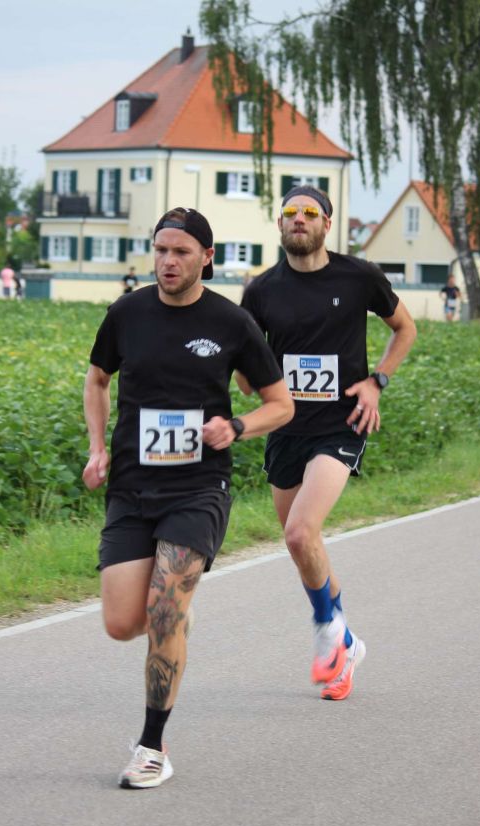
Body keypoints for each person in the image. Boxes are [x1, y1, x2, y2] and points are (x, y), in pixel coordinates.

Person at [83, 206, 293, 788]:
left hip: (199, 487)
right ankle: (171, 614)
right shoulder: (126, 313)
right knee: (122, 624)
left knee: (165, 608)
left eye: (181, 251)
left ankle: (152, 747)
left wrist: (237, 426)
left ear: (207, 257)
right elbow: (97, 380)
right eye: (161, 250)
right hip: (131, 486)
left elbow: (281, 404)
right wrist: (97, 448)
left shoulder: (231, 322)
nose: (168, 261)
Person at [238, 185, 417, 701]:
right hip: (285, 430)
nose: (300, 219)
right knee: (304, 547)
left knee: (301, 533)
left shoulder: (359, 276)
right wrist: (246, 369)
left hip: (341, 424)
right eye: (290, 212)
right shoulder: (261, 290)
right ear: (279, 224)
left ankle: (326, 633)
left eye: (310, 213)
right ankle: (347, 644)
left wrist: (377, 381)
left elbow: (404, 328)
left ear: (327, 224)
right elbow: (246, 379)